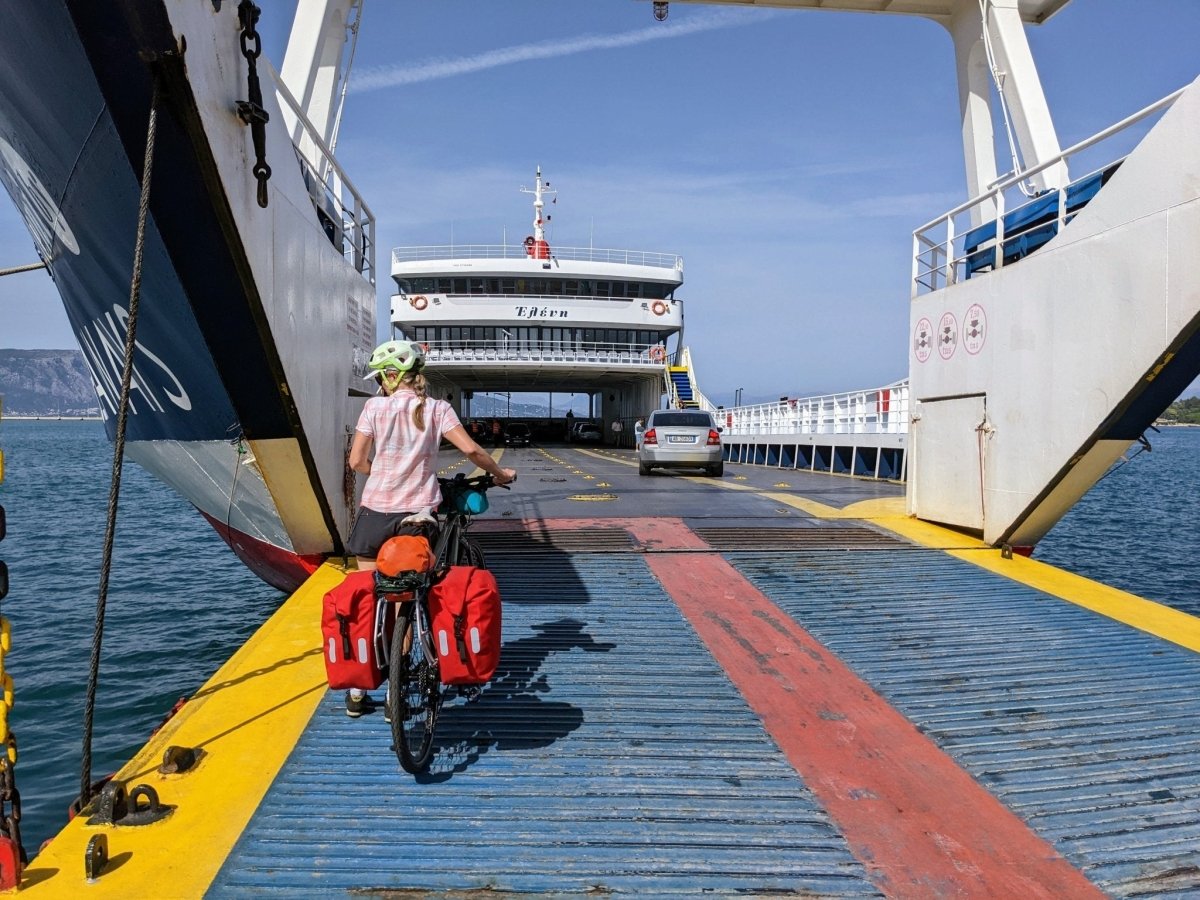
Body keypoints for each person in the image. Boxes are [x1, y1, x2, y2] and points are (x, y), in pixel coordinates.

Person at [344, 339, 515, 717]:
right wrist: (500, 474)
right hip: (416, 519)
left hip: (373, 515)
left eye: (382, 377)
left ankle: (357, 690)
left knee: (371, 599)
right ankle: (397, 692)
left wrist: (384, 474)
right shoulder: (438, 409)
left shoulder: (374, 408)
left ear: (391, 377)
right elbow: (472, 452)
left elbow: (357, 460)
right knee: (410, 597)